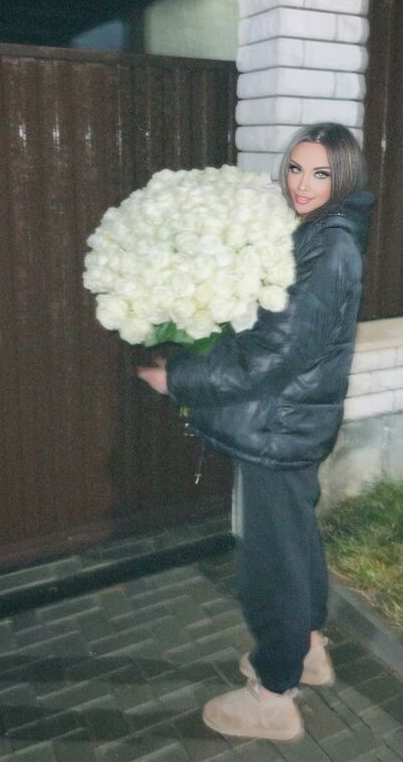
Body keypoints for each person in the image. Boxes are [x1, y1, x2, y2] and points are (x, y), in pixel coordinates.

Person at [137, 123, 374, 742]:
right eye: (296, 168)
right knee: (296, 543)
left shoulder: (329, 247)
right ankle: (308, 649)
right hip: (290, 423)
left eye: (320, 173)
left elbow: (272, 356)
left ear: (344, 177)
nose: (302, 184)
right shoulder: (321, 232)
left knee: (273, 564)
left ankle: (273, 695)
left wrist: (180, 378)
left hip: (279, 426)